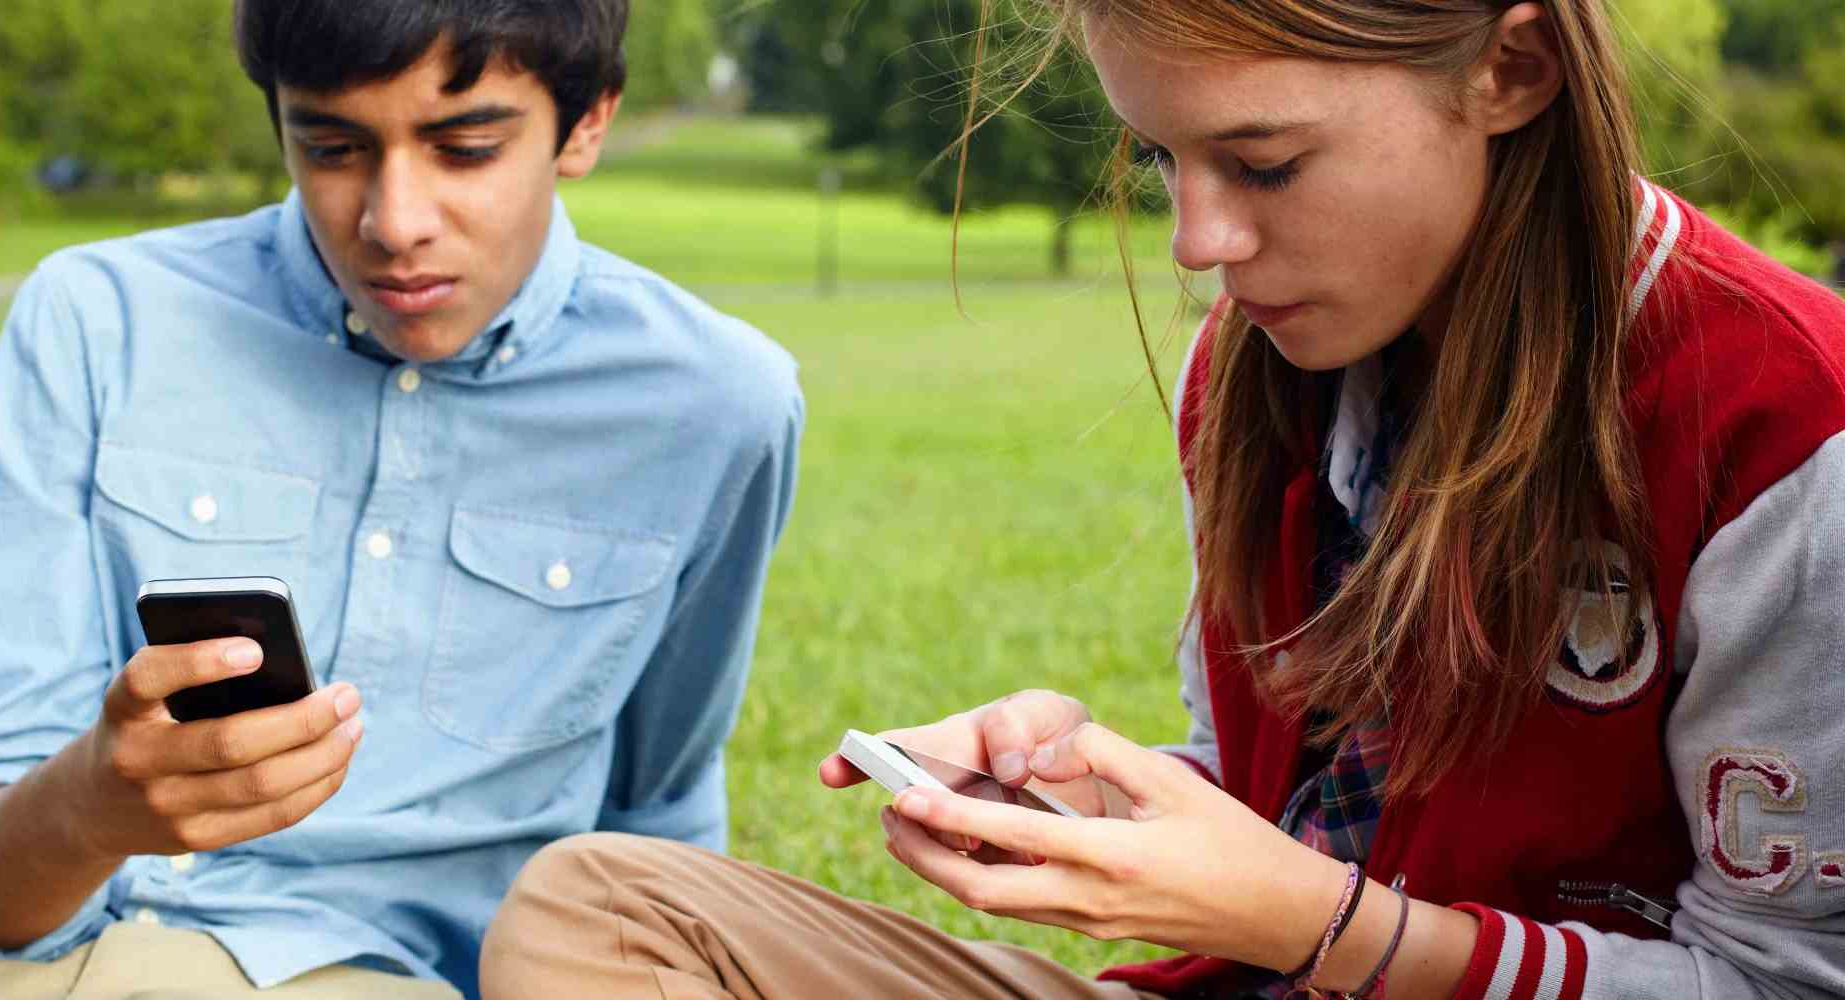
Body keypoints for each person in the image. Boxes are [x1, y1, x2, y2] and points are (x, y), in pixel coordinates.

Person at [484, 1, 1845, 998]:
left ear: (1511, 67)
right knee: (591, 909)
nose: (1202, 242)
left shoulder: (1783, 419)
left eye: (1263, 166)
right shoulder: (1255, 374)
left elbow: (1784, 983)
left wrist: (1326, 928)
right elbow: (1294, 817)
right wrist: (1097, 796)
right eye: (1162, 163)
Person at [0, 1, 802, 997]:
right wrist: (88, 805)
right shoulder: (95, 322)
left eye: (465, 148)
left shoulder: (711, 405)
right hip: (27, 967)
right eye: (331, 147)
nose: (393, 224)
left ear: (587, 123)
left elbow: (657, 812)